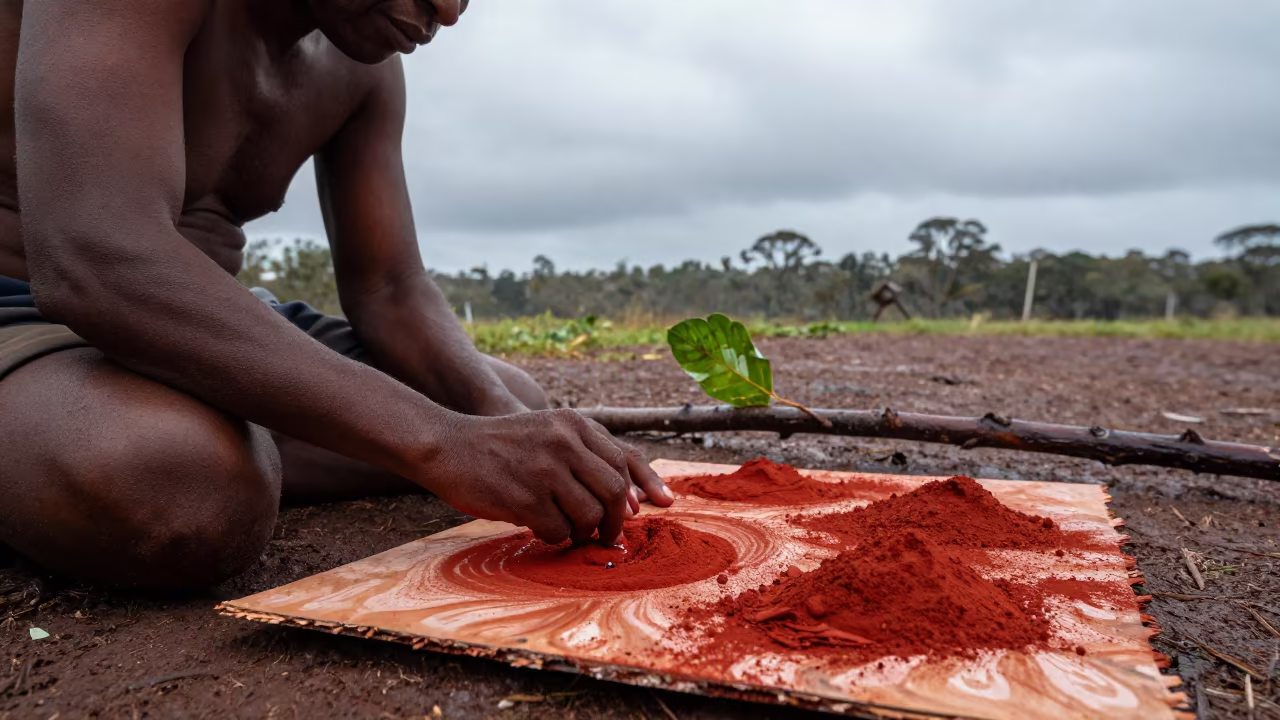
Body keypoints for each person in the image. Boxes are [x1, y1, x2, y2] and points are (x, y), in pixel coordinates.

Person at [0, 0, 673, 589]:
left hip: (195, 315)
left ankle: (233, 430)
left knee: (512, 400)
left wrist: (494, 425)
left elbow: (389, 288)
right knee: (185, 488)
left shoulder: (362, 65)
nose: (446, 11)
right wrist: (440, 442)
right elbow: (94, 257)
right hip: (31, 301)